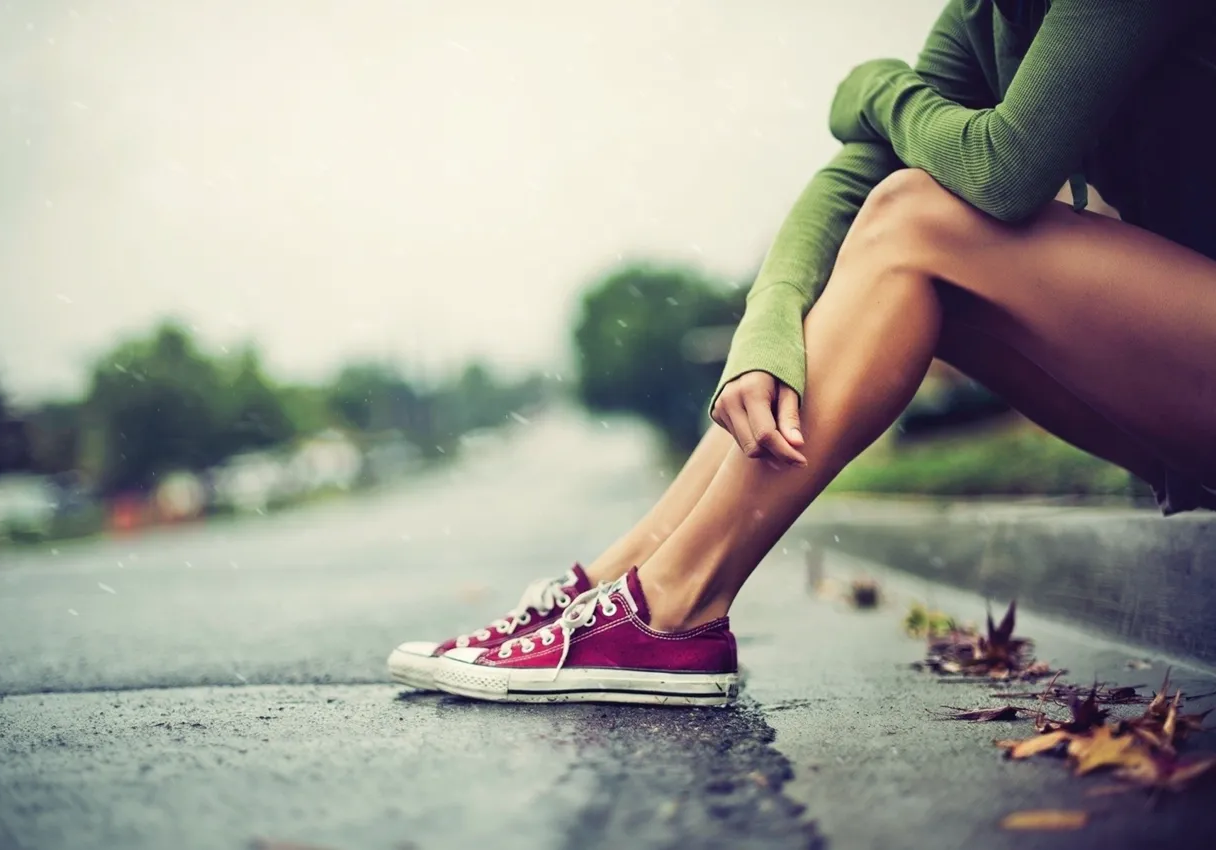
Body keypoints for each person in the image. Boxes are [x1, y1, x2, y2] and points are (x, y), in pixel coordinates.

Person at [388, 0, 1216, 705]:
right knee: (887, 247)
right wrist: (767, 332)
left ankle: (671, 608)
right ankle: (630, 580)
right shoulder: (989, 12)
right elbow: (854, 186)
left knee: (921, 216)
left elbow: (1004, 170)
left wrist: (875, 87)